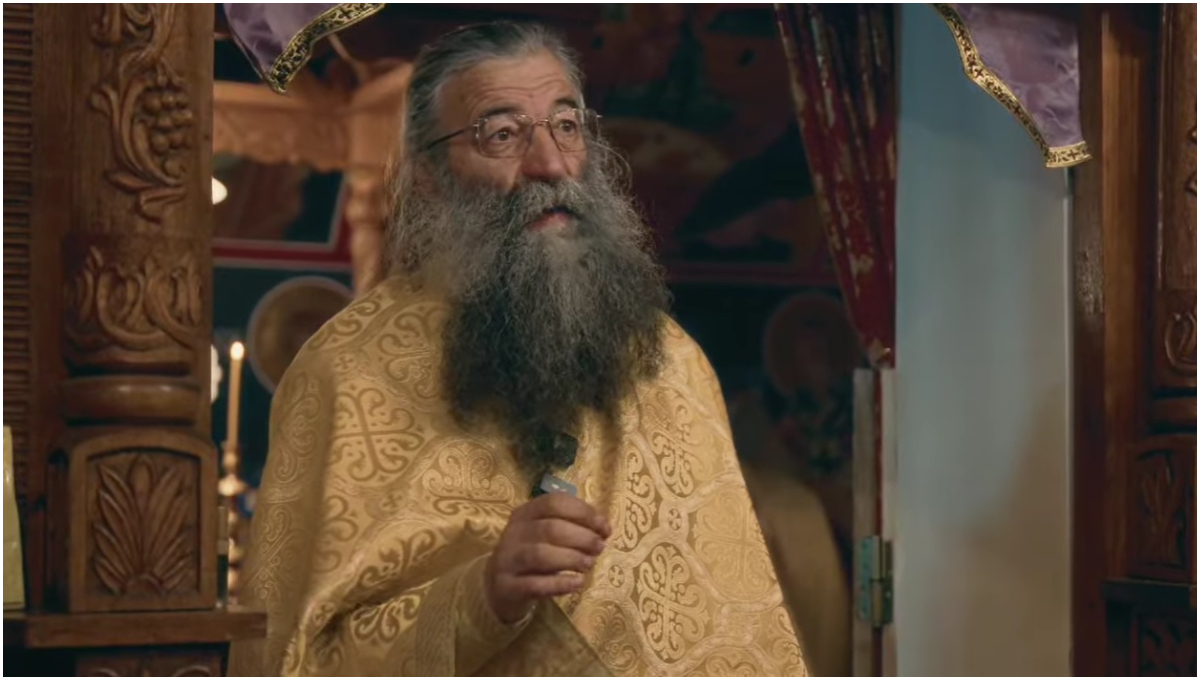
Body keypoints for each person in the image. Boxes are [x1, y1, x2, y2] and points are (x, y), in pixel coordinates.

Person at [229, 21, 807, 677]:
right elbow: (300, 654)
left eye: (566, 126)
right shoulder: (349, 372)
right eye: (501, 134)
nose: (551, 164)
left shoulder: (672, 360)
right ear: (429, 175)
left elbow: (737, 628)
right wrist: (482, 596)